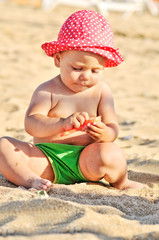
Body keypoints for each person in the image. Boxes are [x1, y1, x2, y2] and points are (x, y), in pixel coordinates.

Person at [0, 10, 143, 190]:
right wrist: (62, 124)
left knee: (111, 152)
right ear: (58, 59)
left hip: (87, 160)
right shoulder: (47, 91)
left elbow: (113, 128)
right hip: (46, 160)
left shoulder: (102, 92)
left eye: (95, 71)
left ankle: (122, 183)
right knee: (4, 145)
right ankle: (30, 180)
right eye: (77, 68)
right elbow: (31, 123)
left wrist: (104, 133)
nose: (85, 76)